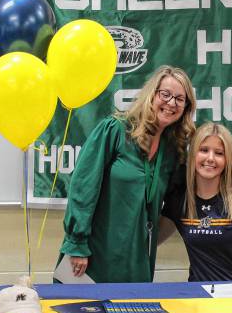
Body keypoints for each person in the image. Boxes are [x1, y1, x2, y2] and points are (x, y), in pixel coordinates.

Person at [60, 66, 196, 282]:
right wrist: (76, 244)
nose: (171, 103)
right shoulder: (115, 130)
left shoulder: (173, 151)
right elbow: (83, 186)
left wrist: (149, 240)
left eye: (180, 99)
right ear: (151, 94)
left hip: (136, 259)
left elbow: (176, 201)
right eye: (165, 94)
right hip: (94, 252)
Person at [160, 123, 232, 281]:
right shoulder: (180, 199)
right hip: (197, 297)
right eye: (204, 150)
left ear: (227, 159)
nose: (210, 158)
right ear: (193, 154)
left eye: (219, 153)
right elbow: (151, 239)